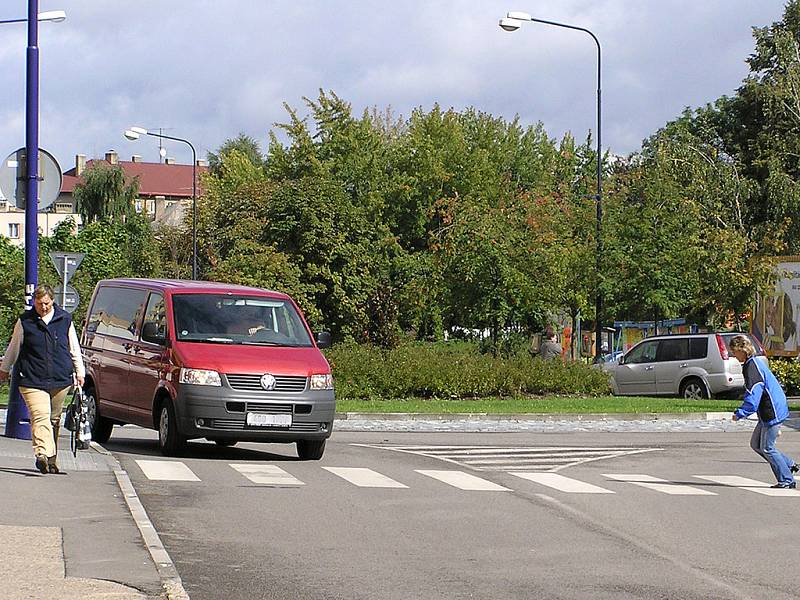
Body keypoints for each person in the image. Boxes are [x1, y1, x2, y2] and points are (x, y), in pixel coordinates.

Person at [0, 284, 85, 475]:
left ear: (52, 301)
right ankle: (41, 454)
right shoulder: (25, 321)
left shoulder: (64, 319)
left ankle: (51, 460)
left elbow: (74, 348)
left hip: (60, 378)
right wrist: (5, 368)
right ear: (34, 303)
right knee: (40, 416)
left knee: (53, 420)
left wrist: (80, 372)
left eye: (46, 303)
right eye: (39, 304)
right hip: (31, 378)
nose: (43, 307)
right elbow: (14, 347)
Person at [729, 334, 798, 489]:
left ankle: (787, 480)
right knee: (756, 444)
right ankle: (790, 465)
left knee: (767, 448)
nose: (733, 355)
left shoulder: (752, 367)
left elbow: (754, 395)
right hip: (770, 410)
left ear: (743, 350)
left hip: (772, 410)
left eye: (734, 351)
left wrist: (740, 413)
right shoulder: (751, 363)